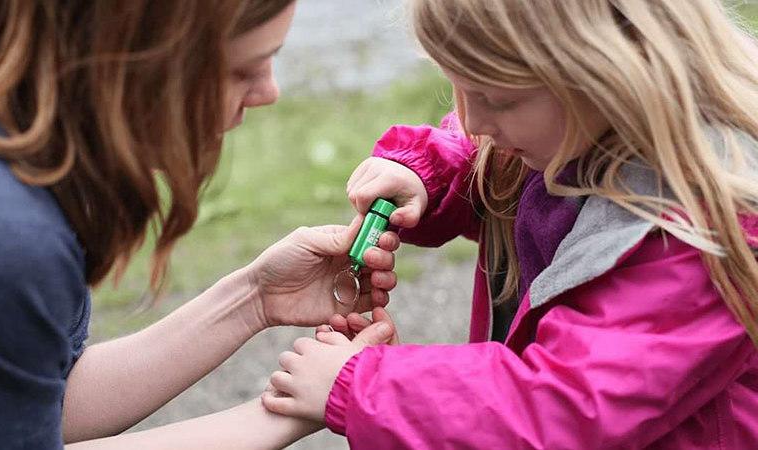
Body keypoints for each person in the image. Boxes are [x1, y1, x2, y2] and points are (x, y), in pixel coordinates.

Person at [262, 0, 758, 448]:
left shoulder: (702, 234)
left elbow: (563, 405)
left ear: (608, 70)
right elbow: (485, 154)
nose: (475, 120)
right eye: (460, 87)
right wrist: (426, 174)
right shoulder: (579, 130)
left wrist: (361, 384)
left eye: (498, 99)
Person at [0, 1, 398, 449]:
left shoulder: (7, 147)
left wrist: (256, 297)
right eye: (244, 70)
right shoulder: (0, 235)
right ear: (138, 61)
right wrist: (295, 407)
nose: (270, 92)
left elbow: (29, 400)